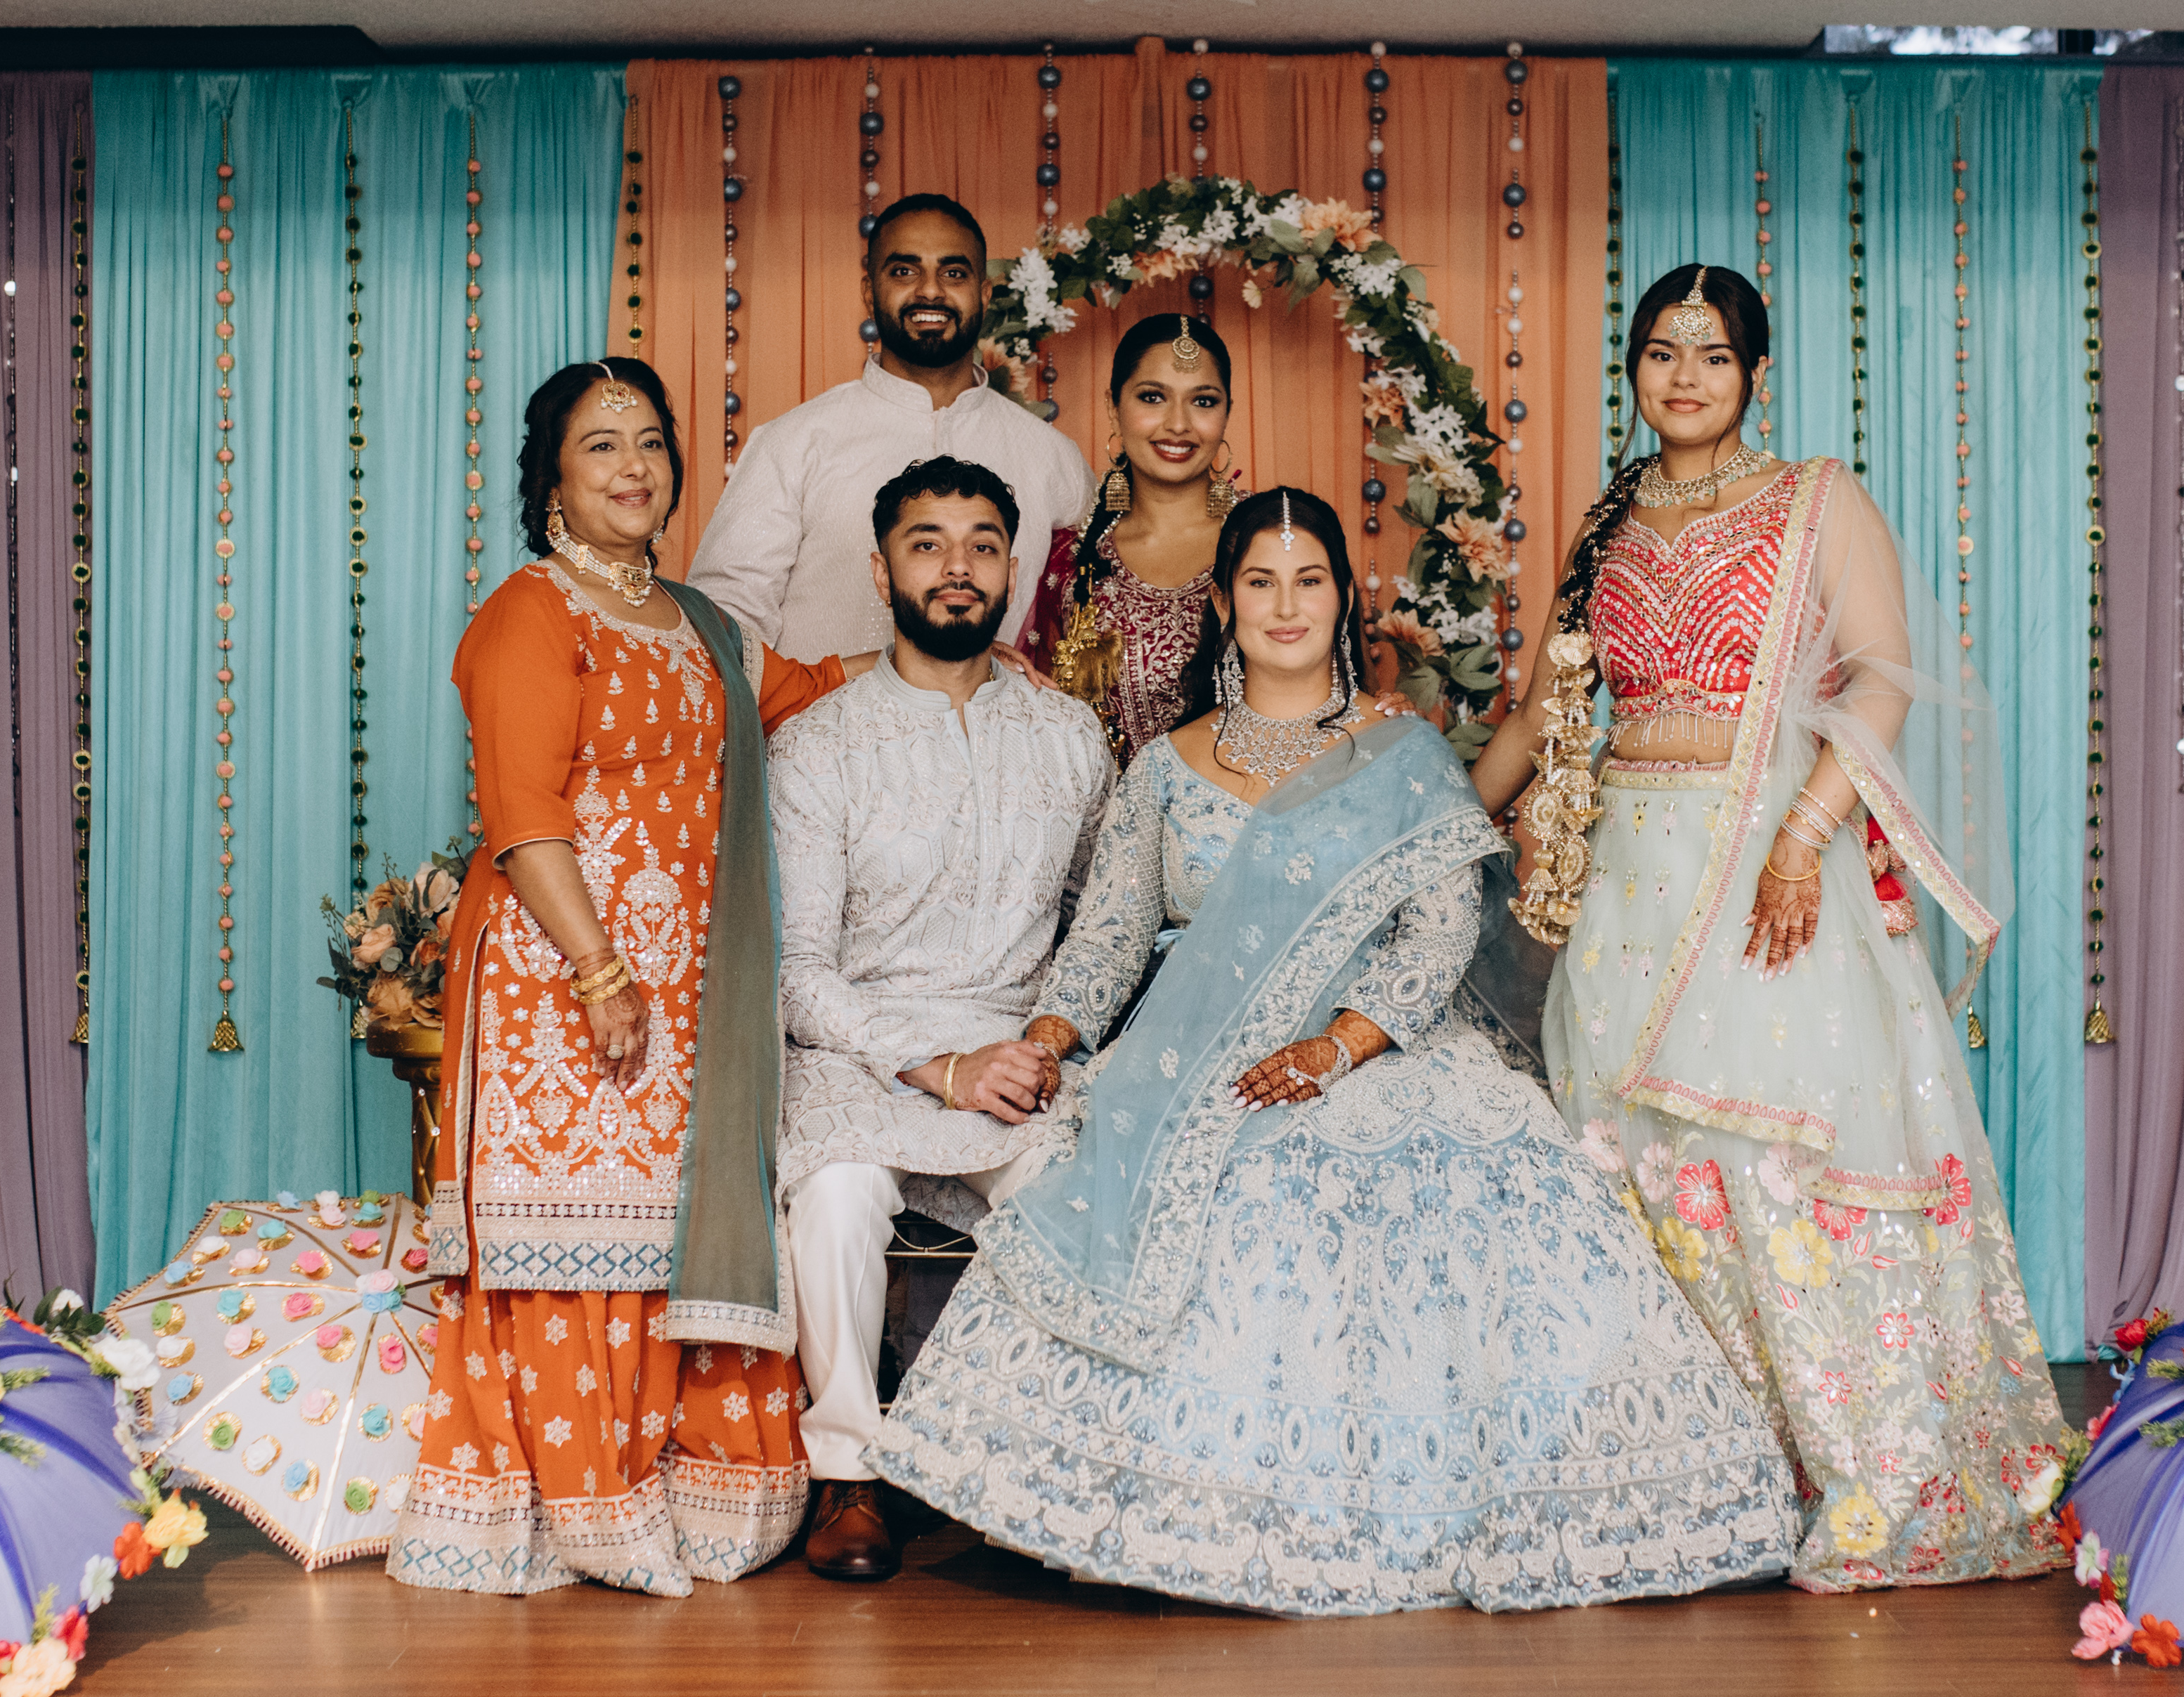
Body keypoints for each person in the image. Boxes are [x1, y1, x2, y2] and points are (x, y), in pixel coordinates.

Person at [868, 488, 1800, 1616]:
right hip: (1203, 1048)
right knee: (1169, 1169)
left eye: (1307, 579)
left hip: (1384, 1046)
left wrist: (1338, 1045)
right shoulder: (1164, 767)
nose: (1284, 604)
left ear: (1340, 600)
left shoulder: (1399, 752)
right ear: (1224, 603)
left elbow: (1442, 925)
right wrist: (1050, 1041)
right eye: (1259, 581)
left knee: (1417, 1169)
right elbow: (1107, 939)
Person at [1474, 265, 2069, 1591]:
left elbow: (1881, 677)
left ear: (1755, 373)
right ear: (1633, 369)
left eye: (1712, 353)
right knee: (1639, 1157)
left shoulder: (1815, 499)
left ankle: (1862, 1473)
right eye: (1660, 351)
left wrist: (1803, 837)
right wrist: (1436, 827)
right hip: (1627, 880)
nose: (1683, 376)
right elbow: (1542, 715)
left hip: (1767, 864)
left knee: (1771, 1145)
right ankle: (1707, 1477)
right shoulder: (1610, 518)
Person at [390, 360, 886, 1597]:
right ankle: (578, 1501)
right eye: (601, 444)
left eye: (651, 442)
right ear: (551, 479)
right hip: (563, 976)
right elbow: (523, 813)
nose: (634, 466)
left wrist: (957, 661)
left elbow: (808, 692)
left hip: (694, 984)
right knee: (575, 1236)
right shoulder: (530, 612)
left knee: (673, 1232)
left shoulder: (705, 624)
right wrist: (601, 968)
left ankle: (684, 1491)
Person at [768, 455, 1116, 1582]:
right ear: (881, 572)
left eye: (981, 545)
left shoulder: (1070, 735)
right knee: (835, 1195)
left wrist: (1046, 1039)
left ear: (1012, 570)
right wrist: (934, 1062)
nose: (956, 567)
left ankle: (1035, 1474)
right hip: (863, 1050)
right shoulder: (818, 743)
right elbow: (795, 972)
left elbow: (1103, 929)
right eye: (927, 543)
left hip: (1022, 1047)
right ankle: (848, 1473)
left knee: (1078, 1197)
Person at [689, 193, 1093, 663]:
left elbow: (1090, 620)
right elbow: (724, 628)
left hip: (1000, 713)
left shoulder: (1052, 457)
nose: (930, 291)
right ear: (870, 291)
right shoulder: (794, 443)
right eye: (904, 271)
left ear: (984, 294)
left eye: (954, 273)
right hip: (821, 711)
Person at [1015, 313, 1234, 763]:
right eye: (1153, 397)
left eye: (1203, 401)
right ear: (1113, 407)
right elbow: (1036, 726)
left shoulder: (1273, 539)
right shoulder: (1072, 561)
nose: (1179, 424)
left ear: (1227, 412)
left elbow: (1340, 692)